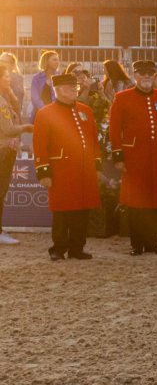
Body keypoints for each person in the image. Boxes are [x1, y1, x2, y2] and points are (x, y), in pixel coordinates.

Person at [107, 60, 157, 256]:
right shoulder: (122, 98)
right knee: (135, 200)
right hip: (133, 156)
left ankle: (153, 243)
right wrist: (118, 155)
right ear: (135, 75)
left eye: (150, 73)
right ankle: (137, 244)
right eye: (142, 73)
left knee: (155, 198)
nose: (146, 76)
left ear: (154, 75)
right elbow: (114, 129)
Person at [32, 72, 100, 261]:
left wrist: (97, 165)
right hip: (61, 169)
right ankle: (58, 248)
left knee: (82, 209)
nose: (75, 90)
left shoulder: (85, 110)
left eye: (75, 87)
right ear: (58, 90)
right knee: (62, 210)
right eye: (71, 87)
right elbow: (40, 145)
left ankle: (77, 248)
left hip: (84, 169)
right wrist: (43, 172)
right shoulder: (45, 113)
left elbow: (93, 140)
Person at [0, 55, 33, 245]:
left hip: (6, 149)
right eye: (5, 76)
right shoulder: (1, 102)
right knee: (0, 191)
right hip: (3, 150)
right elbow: (9, 129)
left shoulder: (6, 98)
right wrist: (27, 128)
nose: (9, 79)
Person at [29, 50, 60, 120]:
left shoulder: (60, 77)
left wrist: (53, 111)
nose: (57, 62)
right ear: (47, 61)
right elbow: (35, 98)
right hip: (40, 112)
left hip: (55, 114)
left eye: (58, 60)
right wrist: (45, 110)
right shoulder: (36, 78)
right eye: (54, 60)